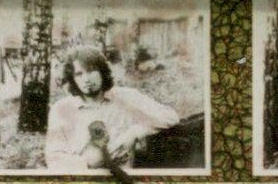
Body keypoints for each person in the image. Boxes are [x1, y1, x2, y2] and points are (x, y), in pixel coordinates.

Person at [44, 47, 181, 171]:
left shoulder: (127, 97)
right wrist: (90, 162)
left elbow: (170, 115)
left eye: (91, 71)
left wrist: (134, 133)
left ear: (102, 71)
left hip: (122, 181)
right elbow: (54, 161)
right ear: (72, 78)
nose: (86, 79)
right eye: (79, 74)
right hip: (79, 183)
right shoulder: (61, 109)